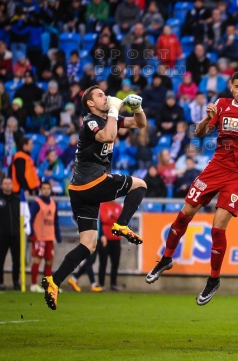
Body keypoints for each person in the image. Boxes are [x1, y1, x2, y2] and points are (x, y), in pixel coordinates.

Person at [145, 71, 238, 306]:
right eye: (237, 87)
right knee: (185, 213)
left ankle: (213, 280)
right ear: (231, 87)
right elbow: (199, 133)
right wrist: (207, 119)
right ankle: (165, 259)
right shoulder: (221, 104)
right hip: (215, 167)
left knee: (217, 229)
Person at [42, 87, 148, 311]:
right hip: (92, 182)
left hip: (79, 191)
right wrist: (114, 108)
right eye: (99, 95)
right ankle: (122, 223)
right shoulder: (90, 121)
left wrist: (137, 108)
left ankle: (54, 281)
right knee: (140, 184)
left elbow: (140, 124)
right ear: (90, 103)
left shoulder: (110, 119)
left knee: (88, 245)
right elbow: (108, 136)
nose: (105, 97)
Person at [29, 182, 61, 292]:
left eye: (48, 188)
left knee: (49, 262)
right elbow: (30, 219)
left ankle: (47, 286)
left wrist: (58, 235)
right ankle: (33, 285)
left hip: (50, 237)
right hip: (39, 237)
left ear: (51, 190)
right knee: (37, 260)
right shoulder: (36, 203)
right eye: (44, 188)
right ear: (40, 190)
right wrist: (32, 234)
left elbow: (55, 221)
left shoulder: (53, 203)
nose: (46, 190)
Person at [0, 177, 21, 290]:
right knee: (1, 260)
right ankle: (0, 282)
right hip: (3, 235)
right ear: (1, 185)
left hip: (16, 234)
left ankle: (16, 282)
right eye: (5, 183)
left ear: (12, 185)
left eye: (9, 183)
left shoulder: (17, 199)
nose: (7, 185)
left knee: (16, 260)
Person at [97, 200, 124, 291]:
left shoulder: (119, 207)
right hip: (105, 239)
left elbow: (121, 221)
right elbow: (104, 219)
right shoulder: (103, 206)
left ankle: (113, 284)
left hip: (116, 239)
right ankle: (101, 284)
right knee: (103, 262)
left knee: (115, 262)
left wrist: (112, 216)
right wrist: (114, 219)